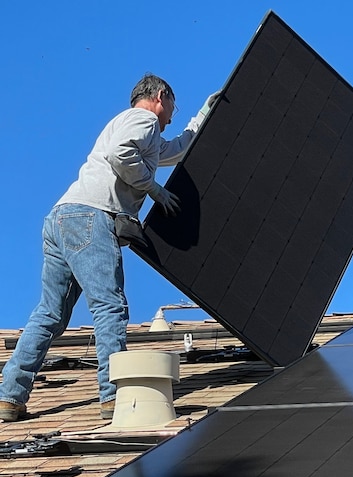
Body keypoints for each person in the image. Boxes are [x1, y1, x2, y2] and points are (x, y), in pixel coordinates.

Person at [0, 74, 219, 422]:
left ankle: (10, 395)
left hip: (61, 218)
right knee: (110, 306)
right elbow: (121, 155)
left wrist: (205, 114)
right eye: (173, 108)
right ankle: (113, 396)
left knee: (50, 315)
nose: (172, 117)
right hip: (92, 217)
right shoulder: (143, 119)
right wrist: (153, 189)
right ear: (160, 96)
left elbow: (176, 150)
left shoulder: (138, 129)